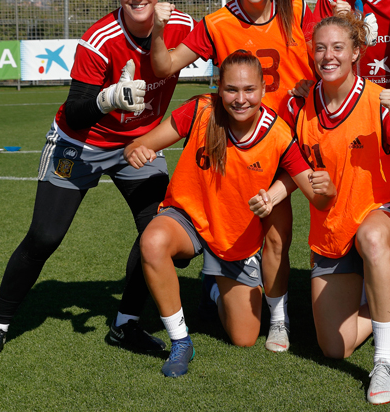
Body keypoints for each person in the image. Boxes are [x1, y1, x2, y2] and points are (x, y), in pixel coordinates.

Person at [0, 0, 196, 366]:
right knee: (45, 237)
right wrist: (107, 99)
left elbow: (226, 48)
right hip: (81, 144)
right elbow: (75, 112)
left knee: (160, 236)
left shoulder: (181, 26)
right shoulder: (100, 39)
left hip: (139, 145)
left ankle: (125, 324)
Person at [122, 51, 336, 377]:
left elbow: (318, 200)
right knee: (152, 241)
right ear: (219, 88)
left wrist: (327, 190)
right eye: (231, 89)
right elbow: (137, 145)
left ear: (263, 90)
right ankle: (180, 341)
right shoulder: (200, 110)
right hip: (189, 218)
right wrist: (137, 151)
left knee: (244, 338)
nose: (240, 99)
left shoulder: (278, 135)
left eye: (249, 90)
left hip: (234, 236)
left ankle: (213, 287)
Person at [149, 0, 317, 350]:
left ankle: (280, 319)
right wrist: (158, 30)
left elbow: (328, 61)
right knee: (237, 232)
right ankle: (222, 282)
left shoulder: (299, 10)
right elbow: (166, 66)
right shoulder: (217, 23)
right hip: (237, 146)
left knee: (277, 237)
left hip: (285, 144)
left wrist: (312, 87)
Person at [281, 13, 390, 405]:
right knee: (334, 347)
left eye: (338, 47)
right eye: (321, 48)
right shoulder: (299, 104)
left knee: (372, 238)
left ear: (356, 52)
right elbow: (288, 164)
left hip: (382, 215)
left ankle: (384, 361)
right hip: (332, 228)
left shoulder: (378, 100)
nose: (328, 56)